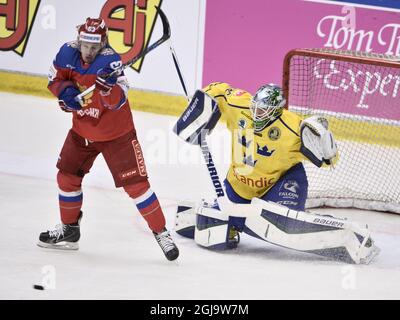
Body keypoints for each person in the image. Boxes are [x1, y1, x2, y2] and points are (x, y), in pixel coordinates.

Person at [174, 82, 379, 264]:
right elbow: (217, 90)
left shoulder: (294, 129)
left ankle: (325, 225)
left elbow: (328, 162)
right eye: (255, 107)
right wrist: (199, 106)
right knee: (214, 228)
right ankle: (238, 218)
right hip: (238, 185)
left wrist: (327, 147)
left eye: (263, 111)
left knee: (283, 224)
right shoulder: (240, 105)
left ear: (275, 112)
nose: (256, 113)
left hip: (281, 183)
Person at [37, 17, 179, 261]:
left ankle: (161, 232)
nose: (89, 52)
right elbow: (54, 80)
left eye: (94, 47)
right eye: (85, 45)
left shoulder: (110, 62)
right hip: (82, 132)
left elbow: (118, 101)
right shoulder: (66, 53)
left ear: (103, 43)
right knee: (67, 176)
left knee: (137, 186)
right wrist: (66, 93)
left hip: (117, 135)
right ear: (79, 40)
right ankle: (70, 230)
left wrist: (107, 89)